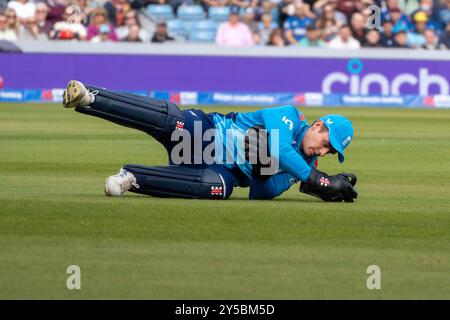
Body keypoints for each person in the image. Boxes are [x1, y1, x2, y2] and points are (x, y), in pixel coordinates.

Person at [61, 80, 358, 202]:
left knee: (217, 190)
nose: (324, 150)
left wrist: (263, 170)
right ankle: (91, 98)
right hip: (204, 132)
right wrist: (319, 180)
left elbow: (261, 193)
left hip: (224, 170)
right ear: (318, 125)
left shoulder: (305, 167)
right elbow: (279, 147)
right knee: (172, 119)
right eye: (326, 142)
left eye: (331, 151)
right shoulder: (289, 115)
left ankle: (131, 178)